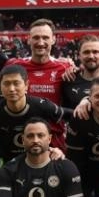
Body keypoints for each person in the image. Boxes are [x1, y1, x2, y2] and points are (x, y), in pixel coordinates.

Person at [0, 65, 68, 167]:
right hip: (9, 169)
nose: (12, 89)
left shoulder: (41, 106)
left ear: (26, 85)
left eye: (16, 83)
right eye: (6, 84)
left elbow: (72, 115)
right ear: (0, 85)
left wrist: (86, 103)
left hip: (42, 165)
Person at [17, 19, 73, 147]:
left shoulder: (65, 68)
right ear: (29, 39)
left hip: (55, 139)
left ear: (53, 39)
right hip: (24, 138)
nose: (40, 42)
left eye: (45, 38)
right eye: (36, 37)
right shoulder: (16, 65)